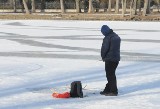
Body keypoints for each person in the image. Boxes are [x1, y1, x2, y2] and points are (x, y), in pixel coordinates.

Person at [100, 25, 121, 96]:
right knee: (111, 74)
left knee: (110, 75)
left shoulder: (107, 38)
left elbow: (104, 49)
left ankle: (114, 91)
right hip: (116, 59)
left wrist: (103, 56)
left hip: (110, 59)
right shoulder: (116, 36)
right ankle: (107, 89)